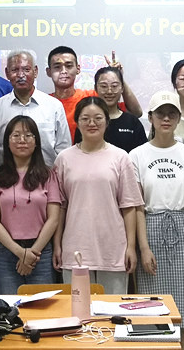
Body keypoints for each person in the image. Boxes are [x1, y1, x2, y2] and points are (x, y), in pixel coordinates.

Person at [130, 90, 184, 331]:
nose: (166, 118)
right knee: (152, 304)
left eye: (171, 114)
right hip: (151, 227)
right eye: (160, 114)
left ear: (178, 118)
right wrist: (143, 248)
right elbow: (138, 207)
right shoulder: (137, 155)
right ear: (150, 117)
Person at [53, 97, 143, 294]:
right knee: (77, 308)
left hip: (113, 248)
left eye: (98, 118)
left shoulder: (120, 157)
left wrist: (131, 246)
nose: (91, 123)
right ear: (77, 122)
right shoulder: (64, 159)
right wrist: (57, 244)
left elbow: (129, 206)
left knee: (111, 309)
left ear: (107, 121)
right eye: (85, 118)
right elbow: (60, 206)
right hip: (75, 247)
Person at [0, 115, 61, 294]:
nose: (22, 140)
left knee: (43, 307)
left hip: (40, 252)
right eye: (16, 135)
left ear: (36, 142)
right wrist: (21, 253)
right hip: (7, 251)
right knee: (11, 306)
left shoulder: (48, 176)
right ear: (7, 142)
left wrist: (33, 253)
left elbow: (53, 219)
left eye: (28, 135)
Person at [0, 50, 70, 170]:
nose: (21, 75)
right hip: (6, 179)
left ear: (35, 72)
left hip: (46, 178)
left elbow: (64, 151)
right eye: (15, 70)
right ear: (7, 73)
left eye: (26, 69)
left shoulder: (54, 106)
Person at [47, 46, 142, 139]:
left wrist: (117, 75)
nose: (63, 71)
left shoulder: (92, 98)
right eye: (57, 67)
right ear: (48, 71)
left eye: (68, 66)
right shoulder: (44, 103)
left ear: (78, 69)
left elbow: (136, 112)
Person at [74, 66, 147, 152]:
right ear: (95, 88)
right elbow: (77, 153)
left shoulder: (132, 122)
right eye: (104, 86)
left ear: (122, 88)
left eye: (114, 86)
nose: (109, 91)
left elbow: (142, 155)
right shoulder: (87, 123)